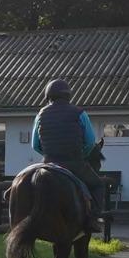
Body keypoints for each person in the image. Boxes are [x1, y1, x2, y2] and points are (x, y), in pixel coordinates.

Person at [30, 79, 107, 232]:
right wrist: (81, 155)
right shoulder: (80, 113)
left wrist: (49, 154)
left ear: (48, 96)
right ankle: (93, 219)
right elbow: (91, 142)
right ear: (68, 96)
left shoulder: (40, 114)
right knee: (98, 185)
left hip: (49, 162)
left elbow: (35, 145)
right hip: (74, 162)